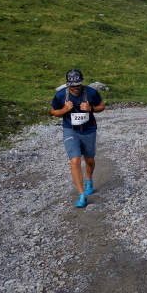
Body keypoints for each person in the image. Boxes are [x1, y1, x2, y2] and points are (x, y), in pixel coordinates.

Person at [50, 69, 105, 208]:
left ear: (82, 82)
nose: (75, 88)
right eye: (72, 85)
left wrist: (91, 108)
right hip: (71, 130)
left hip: (89, 130)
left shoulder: (91, 92)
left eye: (78, 84)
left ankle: (89, 180)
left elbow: (102, 106)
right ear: (67, 83)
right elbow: (53, 111)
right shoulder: (61, 95)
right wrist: (64, 110)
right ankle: (82, 195)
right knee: (75, 161)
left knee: (89, 160)